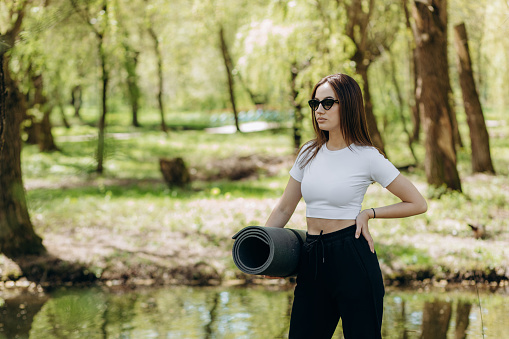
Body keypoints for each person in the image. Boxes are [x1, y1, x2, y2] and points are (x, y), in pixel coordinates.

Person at [264, 73, 427, 339]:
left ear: (348, 104)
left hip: (352, 257)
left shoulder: (367, 157)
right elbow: (284, 208)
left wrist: (369, 213)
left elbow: (417, 202)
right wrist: (267, 255)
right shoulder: (308, 152)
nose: (319, 110)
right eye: (315, 103)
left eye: (328, 103)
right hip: (311, 258)